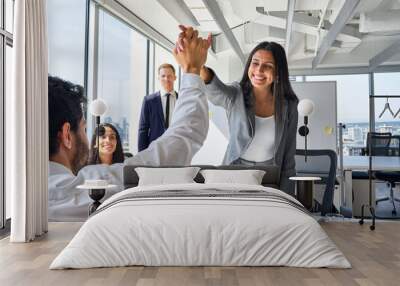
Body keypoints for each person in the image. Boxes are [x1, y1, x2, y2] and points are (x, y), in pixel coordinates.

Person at [48, 26, 211, 221]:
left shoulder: (23, 200)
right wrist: (192, 70)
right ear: (67, 134)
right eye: (83, 128)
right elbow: (181, 138)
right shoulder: (90, 189)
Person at [196, 34, 298, 195]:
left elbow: (289, 158)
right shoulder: (236, 94)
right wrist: (199, 64)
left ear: (278, 73)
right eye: (255, 63)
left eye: (268, 66)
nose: (259, 70)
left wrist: (288, 198)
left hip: (269, 177)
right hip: (234, 174)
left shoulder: (289, 106)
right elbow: (216, 90)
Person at [138, 63, 179, 151]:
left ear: (175, 77)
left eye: (169, 76)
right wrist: (141, 155)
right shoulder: (149, 101)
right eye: (163, 76)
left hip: (178, 148)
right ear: (158, 78)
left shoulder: (182, 100)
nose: (166, 79)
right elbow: (143, 130)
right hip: (155, 150)